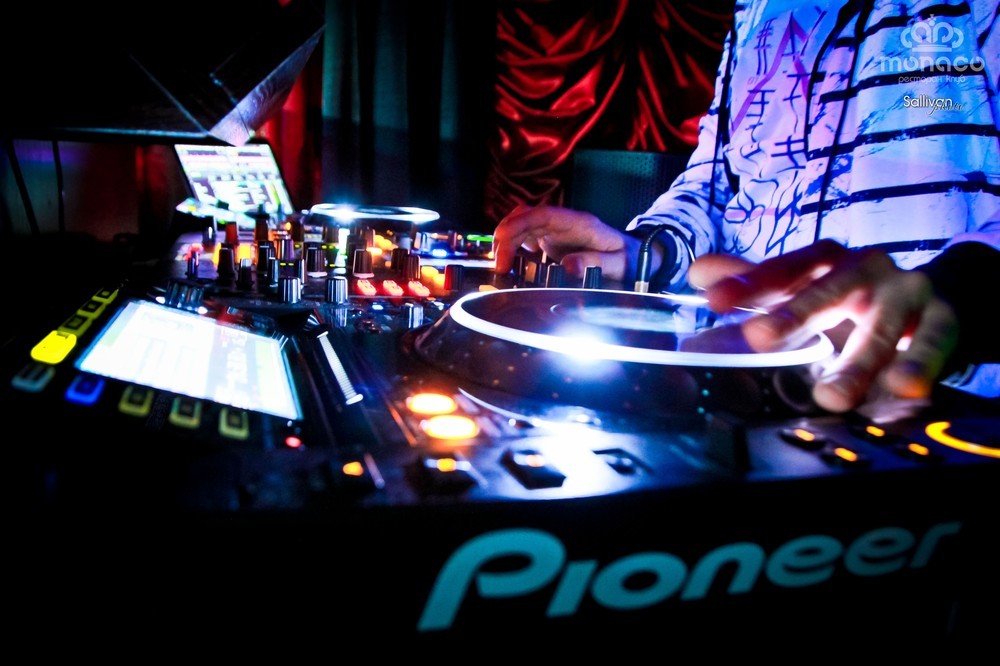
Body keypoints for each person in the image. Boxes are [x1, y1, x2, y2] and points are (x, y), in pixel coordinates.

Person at [493, 0, 1000, 413]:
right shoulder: (756, 9)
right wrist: (647, 251)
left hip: (935, 394)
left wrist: (960, 288)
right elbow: (713, 180)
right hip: (740, 380)